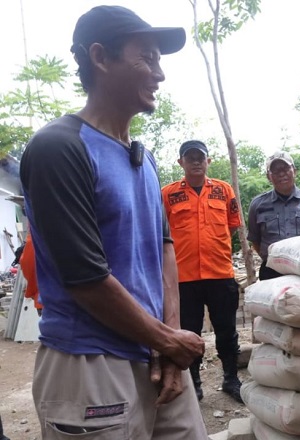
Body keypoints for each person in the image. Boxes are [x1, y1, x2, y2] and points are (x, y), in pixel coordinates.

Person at [19, 6, 207, 438]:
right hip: (90, 362)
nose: (159, 74)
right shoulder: (59, 148)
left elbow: (164, 249)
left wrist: (170, 338)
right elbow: (84, 277)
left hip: (156, 353)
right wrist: (165, 340)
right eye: (147, 58)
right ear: (101, 58)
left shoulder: (144, 159)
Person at [162, 140, 243, 403]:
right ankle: (194, 383)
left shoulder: (224, 190)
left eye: (201, 157)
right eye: (190, 157)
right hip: (184, 278)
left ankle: (231, 378)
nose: (196, 161)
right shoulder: (168, 193)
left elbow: (232, 225)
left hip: (220, 273)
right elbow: (160, 232)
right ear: (181, 162)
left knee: (227, 331)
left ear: (208, 161)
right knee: (189, 332)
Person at [247, 151, 300, 280]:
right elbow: (255, 240)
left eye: (285, 168)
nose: (281, 174)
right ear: (268, 177)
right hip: (271, 272)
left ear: (294, 171)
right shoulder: (258, 204)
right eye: (275, 171)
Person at [18, 233, 42, 315]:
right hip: (77, 298)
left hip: (49, 299)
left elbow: (28, 263)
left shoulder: (39, 227)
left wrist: (32, 291)